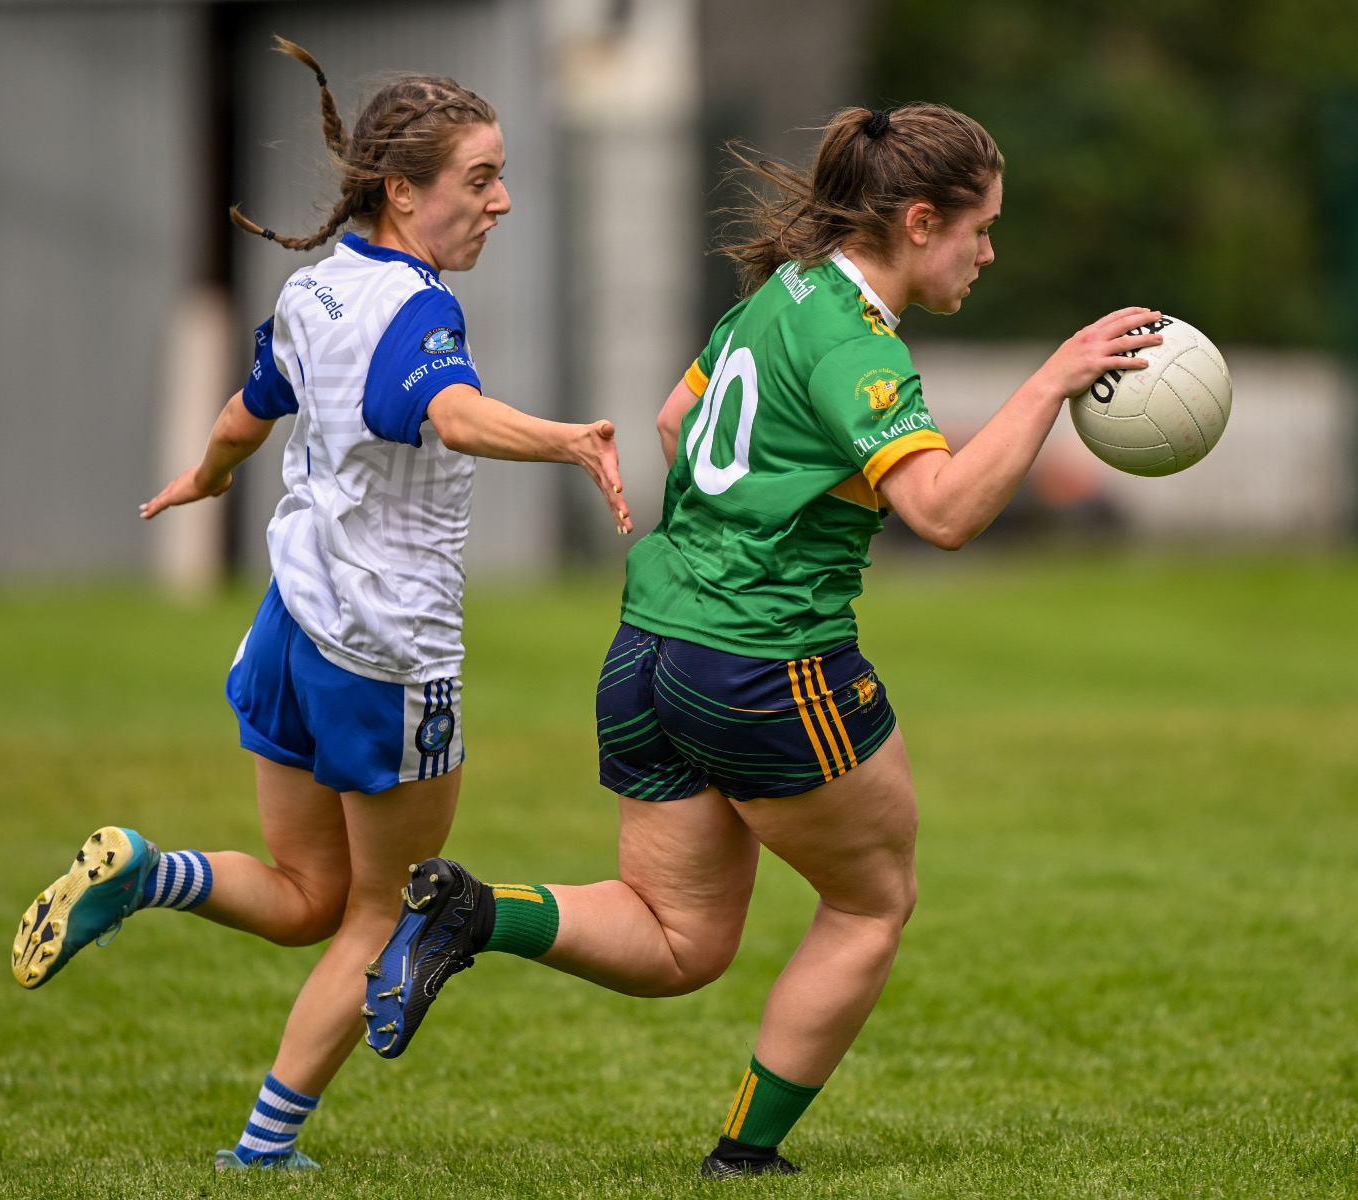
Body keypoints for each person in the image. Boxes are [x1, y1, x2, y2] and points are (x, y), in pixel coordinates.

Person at [358, 102, 1165, 1179]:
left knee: (678, 938)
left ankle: (472, 911)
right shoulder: (856, 345)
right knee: (872, 903)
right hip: (768, 663)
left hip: (649, 648)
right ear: (921, 222)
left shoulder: (779, 296)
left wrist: (763, 505)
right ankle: (745, 1158)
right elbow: (943, 512)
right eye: (981, 229)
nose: (988, 253)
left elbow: (673, 422)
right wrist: (1052, 381)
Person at [9, 37, 631, 1172]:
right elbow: (449, 413)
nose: (502, 201)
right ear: (404, 191)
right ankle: (262, 1152)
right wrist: (569, 440)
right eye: (481, 179)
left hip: (290, 627)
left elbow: (248, 412)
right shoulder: (418, 309)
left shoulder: (314, 287)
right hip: (385, 656)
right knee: (382, 913)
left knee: (307, 899)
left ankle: (148, 872)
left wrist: (207, 477)